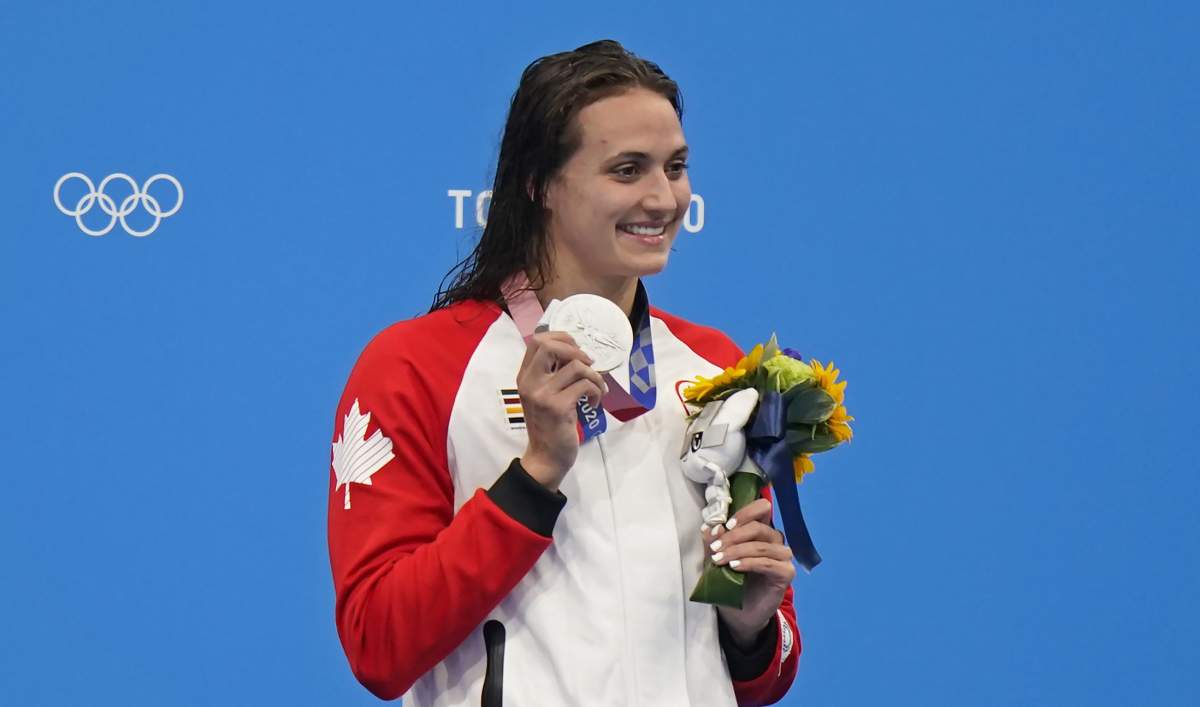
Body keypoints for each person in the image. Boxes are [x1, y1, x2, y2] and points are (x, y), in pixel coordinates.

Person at [327, 40, 801, 706]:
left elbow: (761, 672)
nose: (664, 197)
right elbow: (378, 642)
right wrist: (535, 474)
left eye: (676, 166)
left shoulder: (716, 365)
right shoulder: (419, 365)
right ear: (539, 183)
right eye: (627, 169)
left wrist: (750, 625)